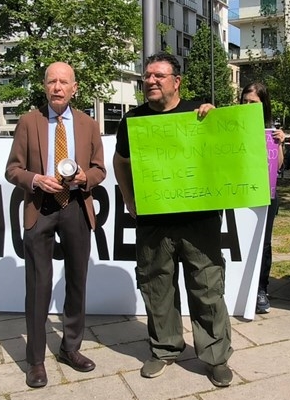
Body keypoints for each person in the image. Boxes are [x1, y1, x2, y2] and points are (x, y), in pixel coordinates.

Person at [112, 52, 233, 387]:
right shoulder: (132, 121)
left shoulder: (200, 112)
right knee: (157, 287)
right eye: (146, 76)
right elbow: (120, 162)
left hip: (200, 220)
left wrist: (216, 118)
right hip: (154, 221)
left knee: (207, 287)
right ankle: (165, 348)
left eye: (158, 76)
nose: (150, 81)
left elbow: (228, 151)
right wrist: (128, 197)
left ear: (176, 82)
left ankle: (215, 356)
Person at [5, 61, 106, 388]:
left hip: (76, 206)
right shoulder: (28, 122)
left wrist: (84, 177)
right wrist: (35, 179)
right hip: (41, 208)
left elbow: (100, 169)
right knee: (38, 286)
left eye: (64, 82)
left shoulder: (89, 125)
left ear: (74, 88)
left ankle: (70, 348)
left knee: (77, 281)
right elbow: (12, 170)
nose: (58, 87)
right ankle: (35, 360)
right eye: (52, 82)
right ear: (45, 86)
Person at [240, 82, 285, 314]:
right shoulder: (233, 125)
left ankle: (260, 289)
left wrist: (279, 143)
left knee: (263, 243)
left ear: (263, 105)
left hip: (265, 195)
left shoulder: (271, 131)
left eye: (253, 102)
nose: (248, 105)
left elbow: (277, 166)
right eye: (245, 101)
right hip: (238, 192)